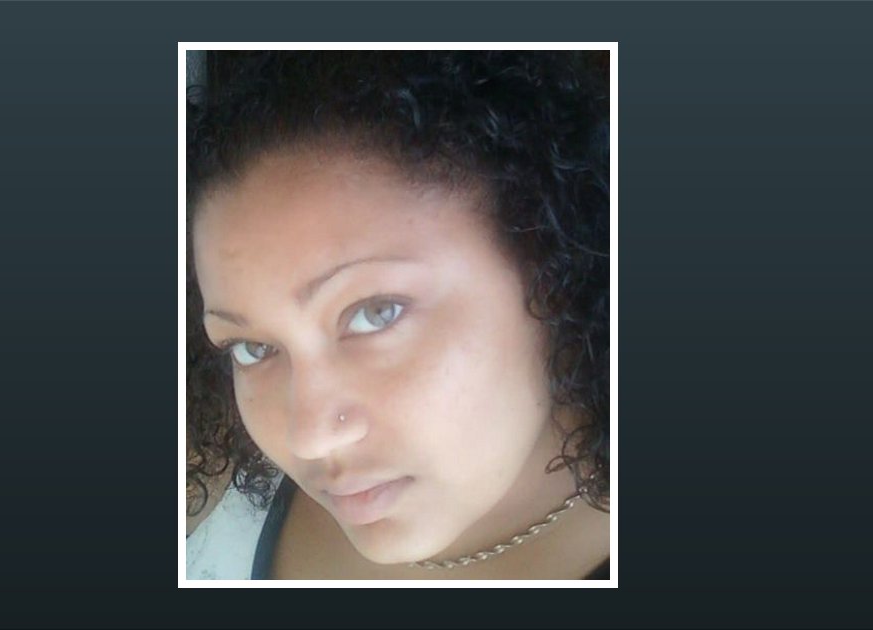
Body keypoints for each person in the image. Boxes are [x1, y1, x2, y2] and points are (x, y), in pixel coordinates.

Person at [186, 51, 610, 580]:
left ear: (555, 271)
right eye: (254, 349)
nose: (308, 437)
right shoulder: (224, 486)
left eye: (375, 313)